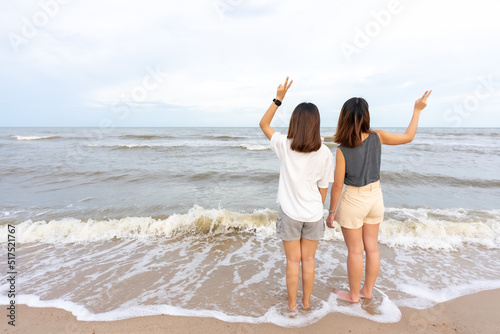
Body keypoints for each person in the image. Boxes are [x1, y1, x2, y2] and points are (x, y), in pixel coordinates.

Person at [326, 91, 432, 303]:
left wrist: (331, 213)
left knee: (355, 251)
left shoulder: (342, 149)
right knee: (372, 247)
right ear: (366, 116)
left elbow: (337, 185)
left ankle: (353, 296)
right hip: (375, 197)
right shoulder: (378, 137)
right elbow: (408, 137)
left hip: (354, 200)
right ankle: (367, 290)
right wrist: (417, 110)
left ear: (344, 118)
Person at [259, 77, 334, 311]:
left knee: (292, 261)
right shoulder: (325, 152)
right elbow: (324, 188)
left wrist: (278, 98)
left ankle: (292, 305)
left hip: (290, 213)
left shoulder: (285, 144)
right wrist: (315, 208)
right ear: (316, 125)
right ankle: (307, 303)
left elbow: (263, 124)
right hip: (312, 214)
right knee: (309, 261)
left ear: (295, 122)